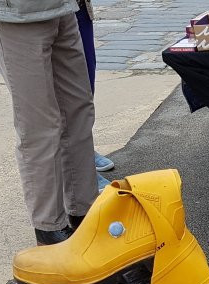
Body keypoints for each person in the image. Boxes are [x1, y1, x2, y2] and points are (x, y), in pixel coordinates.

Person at [0, 0, 99, 245]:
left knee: (78, 109)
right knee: (40, 124)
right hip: (14, 12)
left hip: (62, 7)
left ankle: (86, 211)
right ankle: (50, 228)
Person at [74, 0, 116, 183]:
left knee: (85, 83)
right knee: (62, 93)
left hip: (77, 7)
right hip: (38, 14)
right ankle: (79, 168)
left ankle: (83, 149)